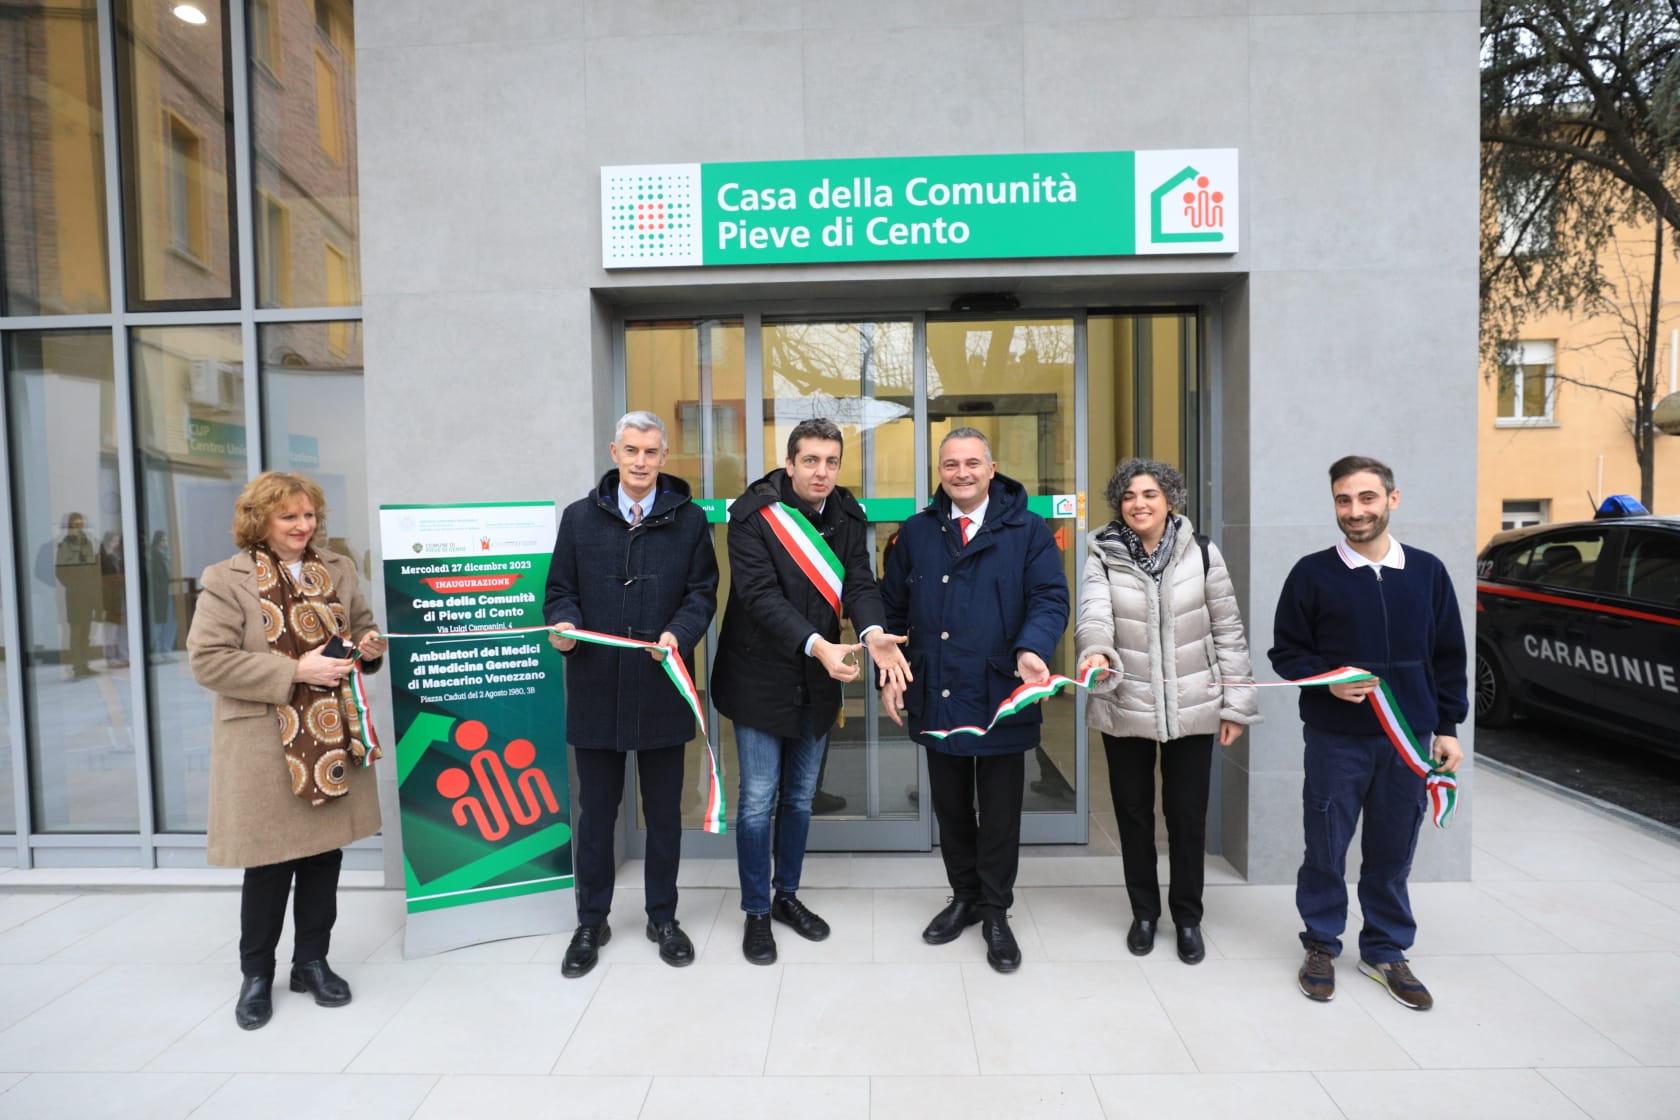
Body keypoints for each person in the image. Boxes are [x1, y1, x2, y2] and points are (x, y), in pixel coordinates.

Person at [187, 472, 387, 1031]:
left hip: (329, 737)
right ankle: (257, 976)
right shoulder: (226, 580)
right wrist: (297, 669)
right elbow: (207, 660)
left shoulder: (339, 569)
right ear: (260, 521)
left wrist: (369, 648)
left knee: (325, 856)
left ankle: (312, 963)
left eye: (310, 516)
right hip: (264, 740)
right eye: (289, 517)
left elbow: (365, 630)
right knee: (270, 864)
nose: (304, 526)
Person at [1270, 455, 1467, 1011]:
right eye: (1343, 500)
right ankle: (1321, 945)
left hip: (1408, 737)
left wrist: (1448, 727)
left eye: (1366, 498)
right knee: (1326, 847)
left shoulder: (1427, 572)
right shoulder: (1312, 573)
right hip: (1337, 739)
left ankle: (1384, 949)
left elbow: (1448, 654)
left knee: (1393, 849)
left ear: (1391, 499)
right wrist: (1326, 682)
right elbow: (1285, 652)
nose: (1355, 511)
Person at [711, 417, 910, 964]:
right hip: (758, 675)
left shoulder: (847, 514)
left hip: (817, 678)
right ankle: (755, 911)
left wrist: (871, 633)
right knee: (757, 801)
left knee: (798, 797)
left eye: (831, 462)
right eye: (811, 461)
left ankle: (786, 897)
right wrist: (819, 645)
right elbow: (757, 594)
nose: (821, 472)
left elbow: (860, 582)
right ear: (790, 462)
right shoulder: (754, 516)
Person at [880, 428, 1069, 973]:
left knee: (1001, 811)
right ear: (940, 472)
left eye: (971, 463)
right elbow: (892, 611)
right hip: (936, 689)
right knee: (951, 806)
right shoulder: (916, 532)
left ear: (991, 469)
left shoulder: (1029, 530)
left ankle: (995, 910)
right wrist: (890, 677)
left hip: (999, 690)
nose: (961, 473)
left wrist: (1033, 649)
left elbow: (1050, 598)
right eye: (950, 465)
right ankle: (962, 896)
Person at [545, 411, 719, 978]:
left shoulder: (689, 521)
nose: (641, 462)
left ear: (664, 458)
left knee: (665, 813)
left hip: (662, 684)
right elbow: (559, 592)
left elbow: (702, 593)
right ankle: (590, 919)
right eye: (631, 451)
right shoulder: (577, 519)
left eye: (651, 452)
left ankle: (662, 917)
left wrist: (679, 634)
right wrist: (565, 629)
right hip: (595, 685)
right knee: (596, 814)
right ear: (614, 452)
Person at [1075, 458, 1258, 965]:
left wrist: (1236, 704)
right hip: (1124, 701)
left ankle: (1188, 917)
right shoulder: (1103, 553)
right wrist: (1094, 652)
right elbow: (1094, 613)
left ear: (1169, 499)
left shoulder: (1201, 552)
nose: (1139, 503)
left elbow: (1228, 629)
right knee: (1133, 816)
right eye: (1130, 495)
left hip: (1194, 704)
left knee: (1186, 817)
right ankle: (1144, 913)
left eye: (1150, 494)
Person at [54, 512, 100, 677]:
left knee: (86, 633)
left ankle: (84, 665)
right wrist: (73, 586)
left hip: (88, 595)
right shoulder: (64, 545)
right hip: (74, 596)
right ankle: (77, 667)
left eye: (82, 525)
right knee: (76, 632)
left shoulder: (87, 543)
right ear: (69, 527)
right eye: (76, 525)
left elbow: (92, 567)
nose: (80, 528)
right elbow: (60, 572)